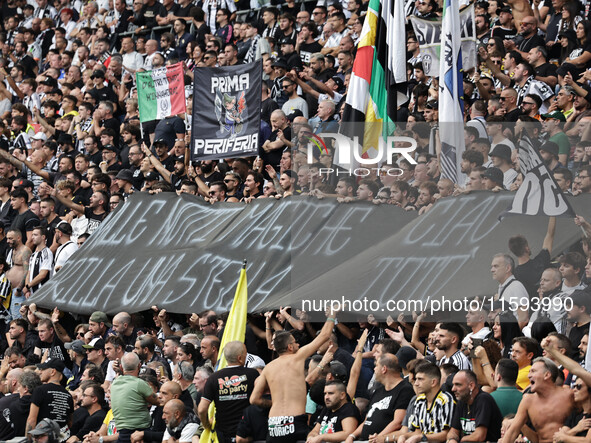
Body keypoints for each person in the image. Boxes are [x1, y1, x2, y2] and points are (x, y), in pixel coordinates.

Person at [250, 309, 336, 442]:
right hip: (295, 423)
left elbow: (254, 399)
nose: (297, 344)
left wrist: (274, 403)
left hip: (274, 425)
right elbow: (324, 335)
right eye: (295, 342)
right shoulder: (298, 357)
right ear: (290, 347)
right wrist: (332, 314)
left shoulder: (268, 368)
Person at [500, 358, 575, 443]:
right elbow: (512, 431)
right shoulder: (528, 400)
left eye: (533, 371)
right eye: (529, 372)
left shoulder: (569, 395)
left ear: (547, 375)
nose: (529, 375)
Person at [198, 342, 259, 442]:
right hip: (248, 433)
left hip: (223, 435)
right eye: (245, 355)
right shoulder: (253, 374)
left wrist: (207, 425)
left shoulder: (214, 378)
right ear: (240, 358)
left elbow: (201, 409)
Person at [346, 354, 414, 442]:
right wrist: (352, 436)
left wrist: (379, 437)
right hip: (364, 440)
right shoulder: (378, 391)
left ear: (384, 369)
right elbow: (367, 420)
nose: (374, 369)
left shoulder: (405, 389)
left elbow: (398, 422)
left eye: (376, 366)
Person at [396, 362, 455, 443]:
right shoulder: (420, 400)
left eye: (420, 379)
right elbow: (418, 432)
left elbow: (446, 434)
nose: (416, 383)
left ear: (433, 382)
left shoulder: (445, 400)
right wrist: (403, 436)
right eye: (416, 379)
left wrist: (420, 438)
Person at [110, 352, 159, 442]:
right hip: (140, 434)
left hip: (122, 434)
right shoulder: (139, 383)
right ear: (139, 366)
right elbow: (157, 401)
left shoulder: (114, 384)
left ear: (121, 367)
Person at [447, 370, 503, 442]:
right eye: (453, 385)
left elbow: (479, 436)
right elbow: (453, 431)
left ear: (471, 386)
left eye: (458, 385)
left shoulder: (483, 399)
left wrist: (462, 440)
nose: (453, 389)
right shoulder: (462, 400)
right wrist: (452, 439)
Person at [26, 358, 74, 439]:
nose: (40, 372)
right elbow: (70, 422)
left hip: (42, 438)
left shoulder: (40, 390)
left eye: (43, 369)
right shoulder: (68, 395)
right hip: (61, 439)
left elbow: (31, 419)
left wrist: (28, 440)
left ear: (53, 372)